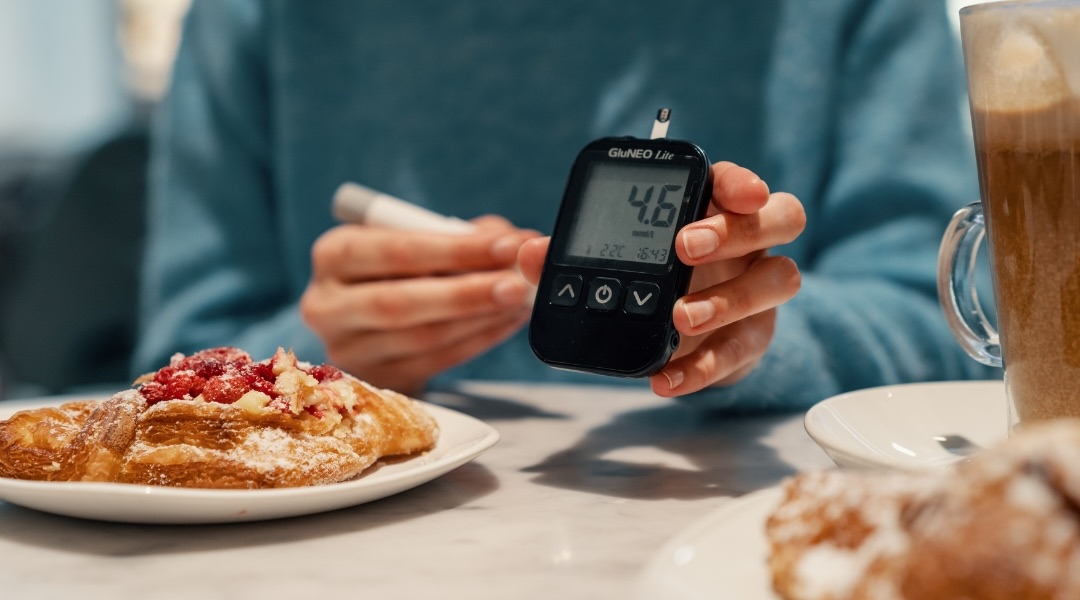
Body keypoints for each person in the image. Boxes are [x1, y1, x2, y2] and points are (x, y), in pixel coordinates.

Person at [134, 0, 995, 411]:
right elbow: (164, 367)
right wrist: (325, 359)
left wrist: (749, 332)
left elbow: (966, 334)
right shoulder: (260, 17)